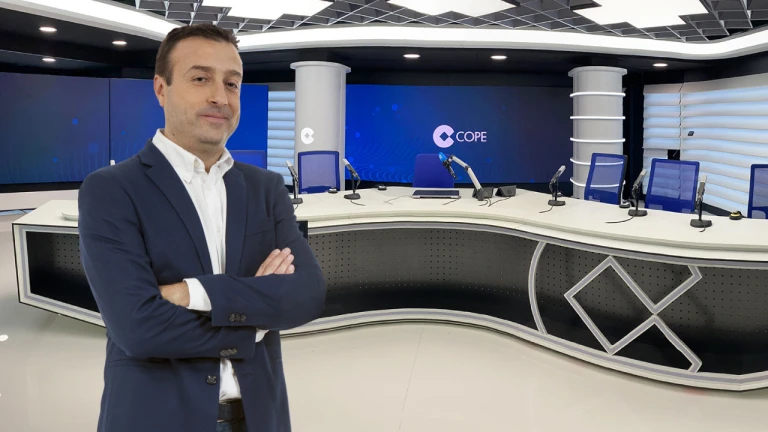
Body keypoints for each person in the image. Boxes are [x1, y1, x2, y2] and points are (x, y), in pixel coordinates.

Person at [78, 24, 326, 432]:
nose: (220, 97)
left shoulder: (265, 188)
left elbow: (307, 295)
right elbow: (137, 326)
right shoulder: (111, 190)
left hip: (258, 417)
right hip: (157, 419)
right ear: (161, 89)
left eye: (232, 83)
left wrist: (192, 293)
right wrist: (254, 321)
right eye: (200, 79)